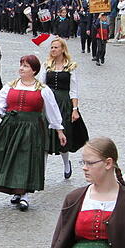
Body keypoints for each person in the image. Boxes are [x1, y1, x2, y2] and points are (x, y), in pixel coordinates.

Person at [0, 55, 65, 211]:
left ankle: (24, 194)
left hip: (31, 128)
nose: (21, 69)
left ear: (34, 71)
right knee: (10, 159)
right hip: (10, 127)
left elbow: (52, 111)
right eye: (21, 65)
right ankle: (15, 191)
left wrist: (59, 131)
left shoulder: (43, 89)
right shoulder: (11, 86)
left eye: (26, 66)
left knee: (25, 160)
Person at [39, 39, 86, 179]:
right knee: (45, 136)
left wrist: (75, 109)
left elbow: (74, 89)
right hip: (48, 102)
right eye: (51, 47)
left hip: (64, 103)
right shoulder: (46, 65)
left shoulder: (70, 66)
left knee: (63, 135)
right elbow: (41, 85)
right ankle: (42, 172)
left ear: (62, 49)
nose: (53, 49)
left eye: (56, 47)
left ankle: (66, 164)